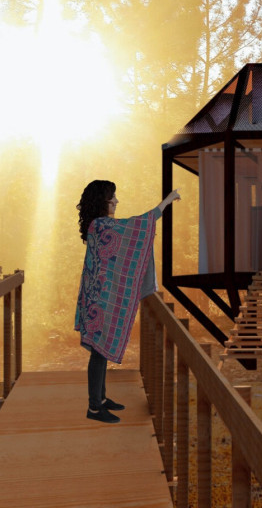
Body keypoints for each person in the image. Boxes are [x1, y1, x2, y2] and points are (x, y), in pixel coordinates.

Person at [75, 180, 180, 423]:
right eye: (113, 198)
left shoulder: (98, 225)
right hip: (99, 299)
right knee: (98, 353)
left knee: (99, 352)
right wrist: (167, 201)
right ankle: (94, 408)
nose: (116, 202)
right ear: (103, 201)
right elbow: (139, 226)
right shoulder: (101, 226)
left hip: (97, 295)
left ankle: (100, 399)